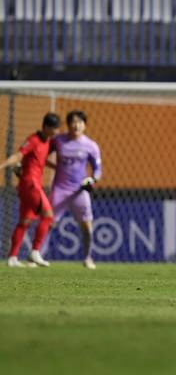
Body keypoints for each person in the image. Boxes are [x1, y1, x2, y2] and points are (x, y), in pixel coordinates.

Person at [0, 113, 60, 267]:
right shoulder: (33, 140)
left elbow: (39, 159)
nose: (56, 131)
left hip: (29, 185)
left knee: (24, 222)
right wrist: (2, 165)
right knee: (47, 216)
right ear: (46, 127)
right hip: (30, 184)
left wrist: (55, 167)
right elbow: (19, 155)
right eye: (54, 128)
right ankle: (35, 252)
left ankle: (12, 257)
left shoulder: (47, 142)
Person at [50, 110, 102, 269]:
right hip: (60, 188)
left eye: (79, 122)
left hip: (79, 190)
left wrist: (92, 180)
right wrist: (52, 166)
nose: (76, 125)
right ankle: (35, 254)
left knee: (86, 225)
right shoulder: (58, 141)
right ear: (68, 124)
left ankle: (87, 258)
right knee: (48, 222)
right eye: (73, 122)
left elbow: (98, 170)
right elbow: (42, 154)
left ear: (85, 125)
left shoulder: (91, 145)